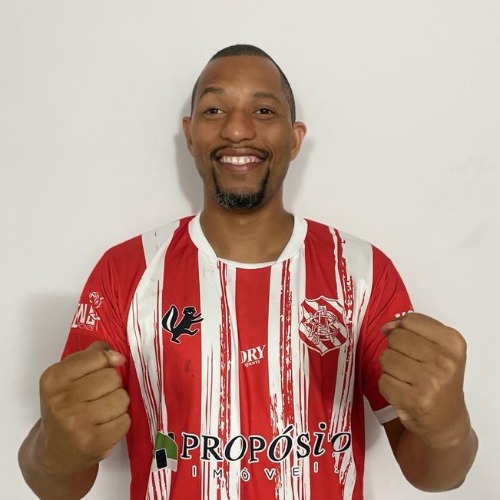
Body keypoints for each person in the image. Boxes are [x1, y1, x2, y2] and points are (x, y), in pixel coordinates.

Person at [18, 44, 478, 500]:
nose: (237, 129)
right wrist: (54, 451)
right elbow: (57, 483)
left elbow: (433, 476)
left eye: (263, 110)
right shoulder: (126, 271)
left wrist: (450, 427)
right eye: (214, 110)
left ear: (294, 139)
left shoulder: (362, 271)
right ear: (190, 135)